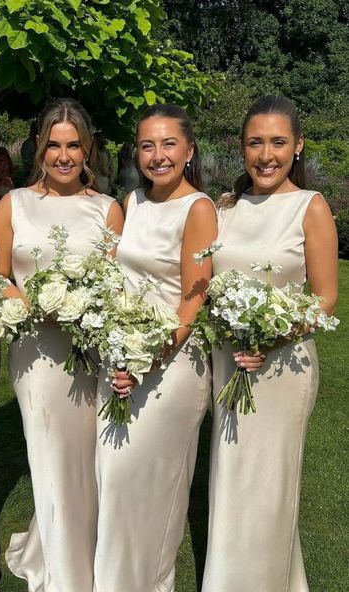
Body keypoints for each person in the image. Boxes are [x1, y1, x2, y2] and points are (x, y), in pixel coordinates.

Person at [201, 95, 338, 592]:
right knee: (232, 480)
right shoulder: (225, 207)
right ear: (241, 149)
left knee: (269, 487)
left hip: (282, 370)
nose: (266, 155)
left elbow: (324, 300)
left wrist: (270, 335)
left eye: (278, 142)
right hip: (228, 364)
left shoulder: (311, 207)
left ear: (298, 146)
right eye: (255, 142)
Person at [0, 98, 124, 591]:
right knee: (49, 453)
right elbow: (1, 276)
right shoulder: (14, 203)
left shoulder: (107, 209)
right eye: (54, 145)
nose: (64, 156)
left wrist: (85, 309)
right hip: (36, 351)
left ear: (87, 150)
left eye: (74, 145)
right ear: (39, 149)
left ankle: (76, 544)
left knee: (86, 456)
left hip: (90, 351)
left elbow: (115, 282)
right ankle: (64, 572)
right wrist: (35, 306)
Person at [94, 104, 217, 592]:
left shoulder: (199, 208)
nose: (158, 155)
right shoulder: (132, 201)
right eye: (147, 145)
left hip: (172, 364)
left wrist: (146, 360)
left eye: (169, 144)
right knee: (116, 479)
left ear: (188, 151)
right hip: (121, 358)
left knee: (151, 483)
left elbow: (193, 302)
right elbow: (111, 276)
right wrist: (115, 349)